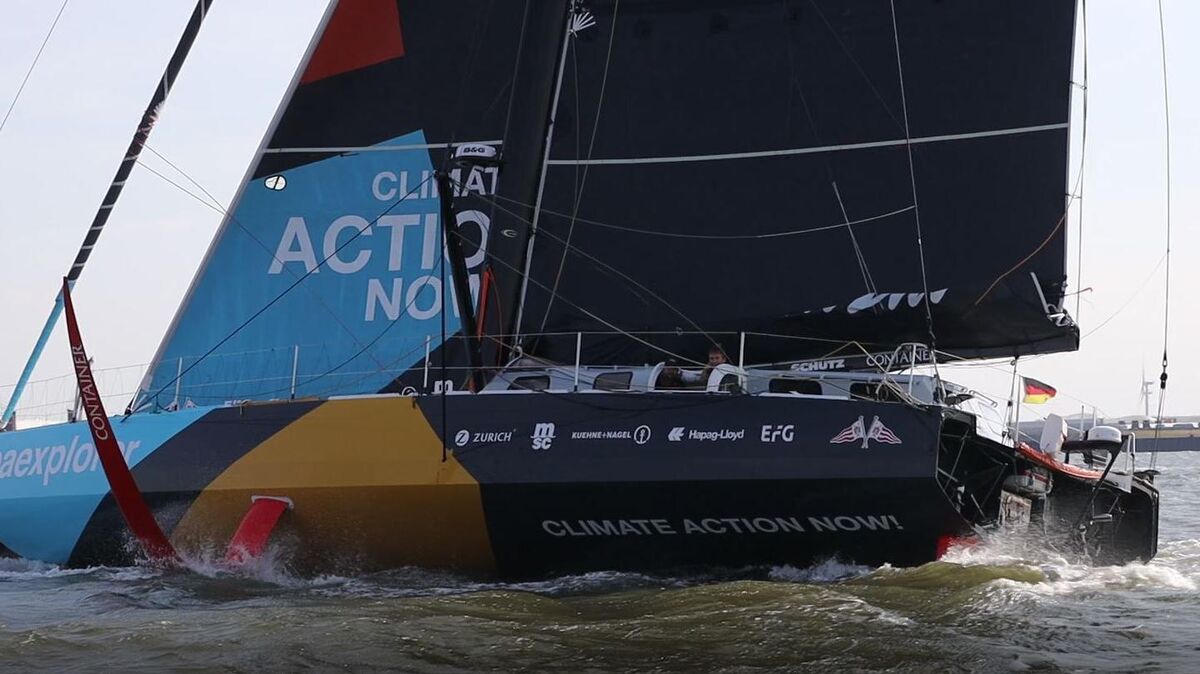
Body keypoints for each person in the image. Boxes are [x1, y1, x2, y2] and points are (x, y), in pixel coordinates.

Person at [659, 345, 728, 389]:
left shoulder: (729, 370)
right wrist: (705, 370)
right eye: (712, 359)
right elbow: (701, 383)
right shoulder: (707, 370)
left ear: (724, 359)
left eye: (717, 358)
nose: (714, 361)